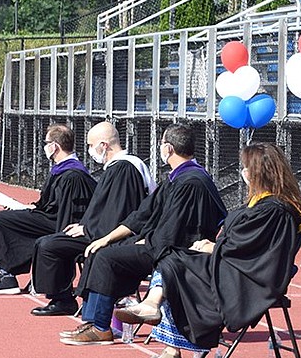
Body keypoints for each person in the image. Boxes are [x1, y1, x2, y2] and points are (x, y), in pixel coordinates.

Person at [115, 142, 301, 358]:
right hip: (236, 265)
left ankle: (162, 334)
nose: (243, 173)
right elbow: (243, 242)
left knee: (174, 265)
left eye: (246, 167)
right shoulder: (266, 204)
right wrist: (214, 247)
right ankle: (159, 324)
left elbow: (249, 249)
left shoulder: (275, 210)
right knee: (172, 259)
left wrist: (213, 249)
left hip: (250, 278)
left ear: (259, 172)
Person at [61, 123, 227, 345]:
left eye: (161, 145)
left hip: (176, 251)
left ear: (168, 148)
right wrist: (107, 238)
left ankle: (101, 327)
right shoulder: (176, 177)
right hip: (160, 242)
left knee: (106, 258)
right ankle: (93, 321)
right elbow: (142, 214)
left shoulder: (192, 182)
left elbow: (175, 230)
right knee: (101, 248)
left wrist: (145, 242)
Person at [29, 121, 154, 315]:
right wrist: (84, 225)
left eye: (90, 145)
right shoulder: (117, 167)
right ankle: (62, 298)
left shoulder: (124, 169)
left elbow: (120, 211)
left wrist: (87, 229)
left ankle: (63, 300)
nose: (88, 150)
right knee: (49, 241)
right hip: (101, 229)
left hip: (114, 235)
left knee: (50, 246)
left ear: (104, 145)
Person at [0, 124, 96, 295]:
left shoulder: (73, 175)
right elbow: (50, 204)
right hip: (50, 217)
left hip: (59, 224)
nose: (45, 147)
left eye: (47, 143)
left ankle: (7, 275)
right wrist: (28, 207)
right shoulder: (60, 170)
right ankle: (5, 273)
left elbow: (67, 213)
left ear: (55, 146)